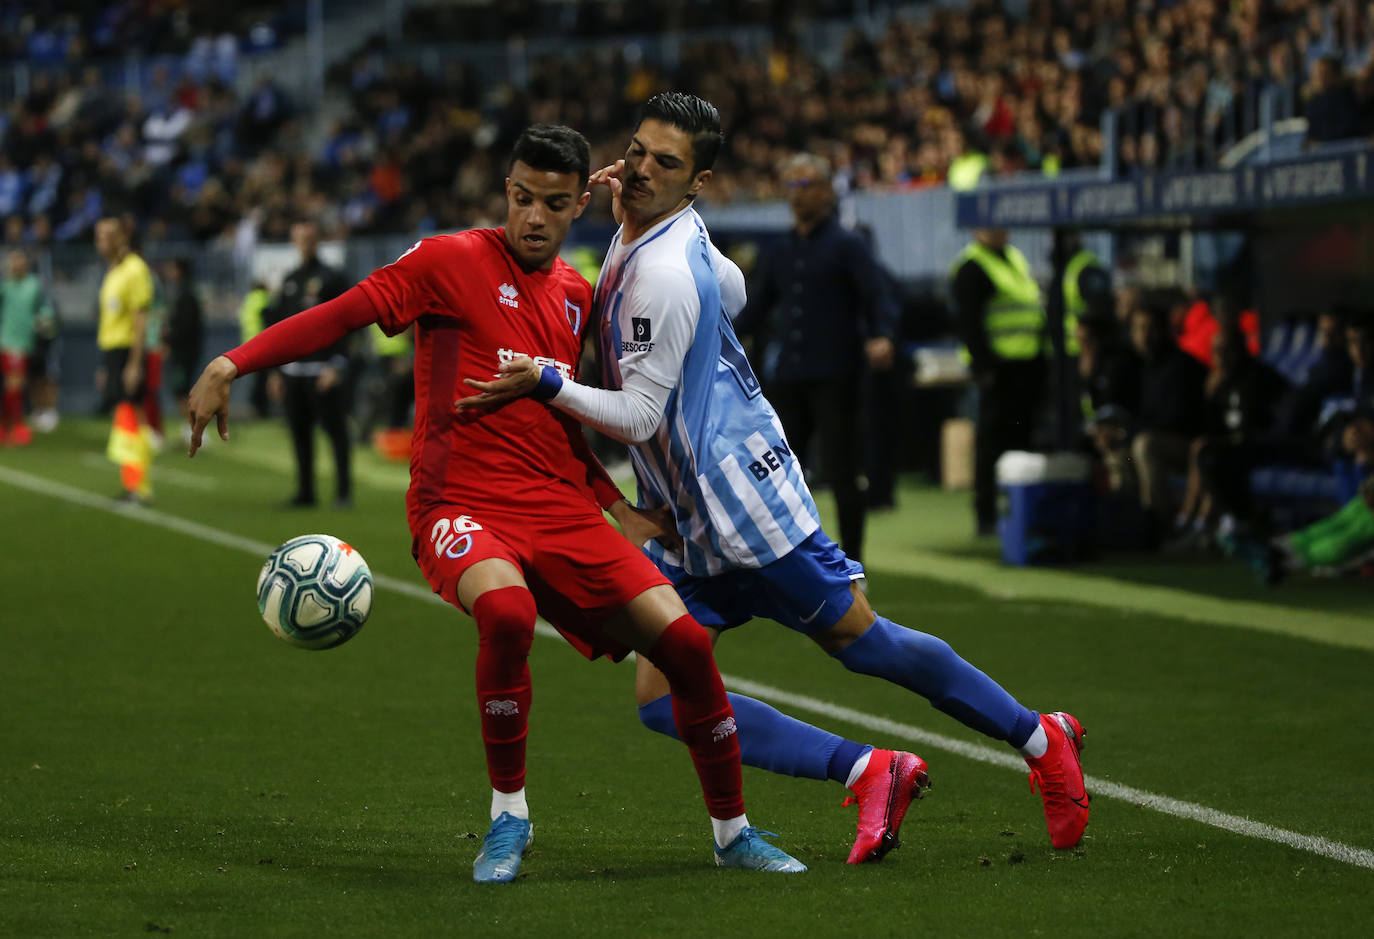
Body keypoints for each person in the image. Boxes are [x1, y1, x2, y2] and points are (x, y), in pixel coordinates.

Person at [462, 93, 1090, 854]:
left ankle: (1039, 736)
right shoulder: (659, 230)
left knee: (864, 643)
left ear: (698, 182)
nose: (641, 171)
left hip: (742, 503)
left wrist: (546, 382)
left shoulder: (660, 271)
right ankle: (867, 768)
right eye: (637, 152)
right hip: (686, 512)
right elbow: (736, 288)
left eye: (667, 164)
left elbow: (636, 419)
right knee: (661, 696)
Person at [184, 124, 806, 883]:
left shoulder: (580, 293)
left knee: (686, 645)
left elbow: (568, 417)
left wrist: (616, 505)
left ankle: (732, 831)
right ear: (505, 192)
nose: (533, 218)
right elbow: (345, 312)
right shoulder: (448, 261)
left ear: (581, 203)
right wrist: (231, 361)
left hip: (559, 507)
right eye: (520, 198)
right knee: (507, 614)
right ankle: (508, 818)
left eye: (552, 203)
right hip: (459, 502)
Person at [731, 154, 899, 563]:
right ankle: (784, 556)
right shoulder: (780, 249)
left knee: (843, 471)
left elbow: (878, 296)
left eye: (806, 185)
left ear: (826, 192)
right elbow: (755, 309)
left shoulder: (848, 245)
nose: (797, 194)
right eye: (792, 185)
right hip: (789, 375)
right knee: (781, 471)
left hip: (837, 374)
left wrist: (883, 335)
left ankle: (853, 559)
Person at [950, 228, 1048, 536]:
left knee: (1022, 442)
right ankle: (987, 515)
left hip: (1027, 366)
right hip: (998, 371)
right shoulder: (972, 267)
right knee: (992, 445)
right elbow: (968, 323)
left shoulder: (1013, 257)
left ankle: (1020, 511)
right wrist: (984, 368)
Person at [264, 219, 353, 508]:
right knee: (299, 433)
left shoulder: (332, 278)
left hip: (322, 369)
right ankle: (306, 492)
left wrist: (337, 363)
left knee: (336, 432)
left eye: (309, 237)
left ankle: (343, 491)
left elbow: (348, 321)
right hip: (293, 371)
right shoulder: (290, 279)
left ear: (317, 240)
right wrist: (276, 371)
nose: (304, 242)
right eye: (299, 237)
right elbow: (280, 328)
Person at [94, 216, 156, 502]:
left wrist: (134, 363)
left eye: (107, 235)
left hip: (128, 351)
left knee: (133, 416)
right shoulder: (113, 271)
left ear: (122, 237)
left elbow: (140, 318)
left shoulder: (134, 269)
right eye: (98, 236)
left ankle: (140, 485)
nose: (101, 241)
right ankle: (132, 483)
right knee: (125, 418)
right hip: (114, 352)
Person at [0, 249, 55, 445]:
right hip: (7, 341)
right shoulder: (5, 285)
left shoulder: (34, 285)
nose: (17, 265)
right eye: (14, 261)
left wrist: (45, 321)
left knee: (16, 385)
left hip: (26, 342)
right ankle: (16, 426)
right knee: (13, 385)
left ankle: (8, 426)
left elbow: (45, 308)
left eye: (20, 261)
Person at [161, 257, 204, 435]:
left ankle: (195, 430)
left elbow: (184, 327)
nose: (168, 272)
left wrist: (169, 340)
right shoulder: (182, 294)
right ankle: (191, 428)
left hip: (184, 353)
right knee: (182, 390)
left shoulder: (186, 296)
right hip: (185, 352)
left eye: (172, 269)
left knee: (182, 391)